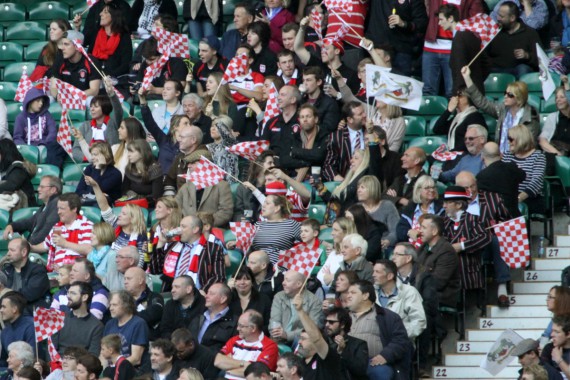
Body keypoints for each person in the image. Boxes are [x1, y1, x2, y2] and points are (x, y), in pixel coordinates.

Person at [461, 65, 540, 154]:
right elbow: (482, 103)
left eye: (510, 95)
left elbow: (527, 144)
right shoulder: (503, 109)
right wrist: (467, 78)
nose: (505, 96)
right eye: (505, 93)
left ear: (519, 98)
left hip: (520, 159)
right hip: (500, 157)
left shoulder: (530, 116)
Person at [346, 280, 412, 380]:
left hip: (371, 362)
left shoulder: (387, 316)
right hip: (345, 361)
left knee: (382, 372)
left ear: (365, 296)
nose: (348, 296)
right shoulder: (342, 316)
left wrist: (385, 356)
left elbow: (400, 341)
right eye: (348, 293)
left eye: (353, 293)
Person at [422, 2, 483, 98]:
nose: (439, 22)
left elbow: (476, 19)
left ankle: (453, 113)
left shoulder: (461, 38)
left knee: (453, 91)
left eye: (441, 19)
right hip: (430, 47)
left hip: (453, 47)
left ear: (450, 18)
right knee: (427, 91)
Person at [156, 215, 226, 290]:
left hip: (198, 295)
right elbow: (156, 269)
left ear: (195, 229)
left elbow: (218, 276)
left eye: (183, 226)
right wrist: (161, 242)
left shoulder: (212, 248)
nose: (179, 229)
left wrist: (204, 292)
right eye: (179, 226)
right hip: (171, 292)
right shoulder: (173, 246)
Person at [364, 0, 428, 76]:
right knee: (375, 83)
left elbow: (422, 24)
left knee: (400, 84)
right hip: (377, 47)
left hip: (401, 49)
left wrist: (403, 23)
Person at [213, 310, 278, 379]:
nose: (238, 328)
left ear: (253, 328)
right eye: (238, 325)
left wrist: (227, 368)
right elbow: (218, 361)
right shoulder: (234, 340)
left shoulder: (270, 346)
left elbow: (256, 374)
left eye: (241, 326)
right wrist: (244, 364)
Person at [486, 1, 541, 78]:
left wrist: (527, 55)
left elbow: (540, 60)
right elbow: (485, 56)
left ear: (512, 18)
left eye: (501, 16)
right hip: (498, 71)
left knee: (522, 68)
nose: (498, 18)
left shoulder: (530, 33)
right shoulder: (494, 33)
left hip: (518, 71)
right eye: (498, 15)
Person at [269, 270, 323, 347]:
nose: (283, 283)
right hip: (277, 338)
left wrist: (287, 335)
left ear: (299, 284)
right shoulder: (279, 296)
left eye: (287, 280)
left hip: (300, 342)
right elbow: (274, 320)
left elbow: (312, 329)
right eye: (284, 279)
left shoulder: (314, 301)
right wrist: (276, 333)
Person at [417, 214, 460, 308]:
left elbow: (437, 282)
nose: (420, 231)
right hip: (422, 293)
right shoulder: (423, 248)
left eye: (424, 228)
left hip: (440, 297)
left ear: (434, 231)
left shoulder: (446, 251)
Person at [3, 176, 61, 245]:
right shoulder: (46, 205)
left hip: (39, 251)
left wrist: (27, 245)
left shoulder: (56, 205)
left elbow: (46, 232)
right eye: (39, 186)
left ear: (53, 190)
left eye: (42, 187)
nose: (38, 189)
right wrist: (12, 226)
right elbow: (29, 222)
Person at [502, 124, 547, 214]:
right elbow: (502, 178)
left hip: (530, 198)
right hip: (509, 196)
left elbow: (536, 182)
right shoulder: (507, 155)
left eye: (511, 139)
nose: (508, 142)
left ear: (521, 139)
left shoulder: (538, 156)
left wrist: (518, 198)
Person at [51, 282, 104, 356]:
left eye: (73, 293)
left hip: (81, 365)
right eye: (68, 293)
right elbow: (51, 349)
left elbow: (93, 355)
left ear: (84, 297)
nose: (68, 296)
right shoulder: (59, 319)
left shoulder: (96, 326)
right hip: (58, 364)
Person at [477, 142, 526, 217]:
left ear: (482, 157)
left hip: (495, 219)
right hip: (514, 217)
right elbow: (523, 175)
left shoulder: (482, 176)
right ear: (500, 155)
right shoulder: (512, 168)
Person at [84, 2, 132, 79]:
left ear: (113, 16)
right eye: (101, 11)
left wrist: (109, 76)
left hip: (114, 79)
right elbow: (89, 55)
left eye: (105, 12)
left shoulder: (124, 36)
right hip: (94, 77)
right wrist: (77, 27)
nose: (100, 14)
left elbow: (125, 65)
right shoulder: (96, 32)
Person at [432, 87, 488, 152]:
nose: (456, 98)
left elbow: (471, 142)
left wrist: (452, 153)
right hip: (454, 155)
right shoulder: (457, 118)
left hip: (466, 156)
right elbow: (437, 129)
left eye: (459, 95)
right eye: (455, 95)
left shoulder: (475, 117)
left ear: (469, 98)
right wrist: (448, 110)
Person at [250, 195, 301, 265]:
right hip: (257, 266)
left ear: (277, 208)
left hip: (278, 268)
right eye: (264, 203)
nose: (263, 206)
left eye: (267, 203)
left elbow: (309, 238)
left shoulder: (290, 224)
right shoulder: (257, 225)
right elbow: (247, 246)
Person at [104, 290, 149, 367]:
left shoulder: (138, 324)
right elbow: (103, 356)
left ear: (126, 305)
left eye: (114, 305)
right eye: (110, 305)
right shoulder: (109, 324)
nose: (110, 308)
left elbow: (136, 359)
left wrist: (114, 367)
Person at [396, 175, 444, 248]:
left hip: (434, 248)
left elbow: (443, 231)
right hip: (412, 249)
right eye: (427, 188)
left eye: (433, 187)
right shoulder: (410, 208)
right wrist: (409, 232)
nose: (431, 190)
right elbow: (400, 230)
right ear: (418, 190)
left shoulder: (441, 208)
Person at [50, 31, 101, 97]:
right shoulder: (59, 59)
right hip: (64, 97)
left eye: (66, 44)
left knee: (91, 101)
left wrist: (73, 97)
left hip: (85, 97)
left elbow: (94, 91)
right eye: (62, 44)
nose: (62, 48)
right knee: (48, 100)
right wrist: (58, 96)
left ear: (77, 47)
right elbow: (54, 87)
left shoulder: (91, 61)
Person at [2, 238, 49, 311]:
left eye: (12, 250)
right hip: (6, 313)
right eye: (8, 250)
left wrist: (5, 293)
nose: (8, 253)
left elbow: (29, 295)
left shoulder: (38, 271)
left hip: (29, 313)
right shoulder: (6, 270)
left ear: (24, 252)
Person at [317, 218, 357, 293]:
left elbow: (347, 280)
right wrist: (332, 276)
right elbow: (319, 277)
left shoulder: (352, 255)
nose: (332, 233)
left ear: (346, 232)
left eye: (336, 230)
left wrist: (330, 276)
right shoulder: (333, 254)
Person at [124, 267, 164, 340]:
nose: (125, 282)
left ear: (140, 280)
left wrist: (126, 317)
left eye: (129, 279)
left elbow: (154, 313)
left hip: (148, 339)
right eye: (125, 279)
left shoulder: (154, 297)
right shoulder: (122, 299)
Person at [163, 125, 205, 195]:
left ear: (193, 140)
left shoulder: (203, 158)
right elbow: (169, 179)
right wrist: (170, 197)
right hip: (179, 200)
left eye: (182, 137)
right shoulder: (180, 156)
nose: (179, 140)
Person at [228, 267, 271, 333]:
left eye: (246, 279)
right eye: (238, 279)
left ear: (252, 282)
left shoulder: (264, 299)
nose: (242, 282)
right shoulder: (228, 297)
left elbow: (267, 324)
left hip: (255, 337)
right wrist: (227, 290)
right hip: (229, 338)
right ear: (233, 281)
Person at [300, 66, 340, 134]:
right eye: (303, 80)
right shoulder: (301, 102)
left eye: (308, 80)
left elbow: (328, 128)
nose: (305, 83)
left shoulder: (330, 104)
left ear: (319, 82)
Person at [0, 292, 36, 364]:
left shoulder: (30, 327)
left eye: (4, 307)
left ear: (14, 309)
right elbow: (3, 361)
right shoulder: (5, 332)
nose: (1, 310)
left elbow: (32, 358)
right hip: (10, 372)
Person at [0, 139, 37, 208]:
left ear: (5, 153)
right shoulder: (8, 168)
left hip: (25, 206)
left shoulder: (18, 168)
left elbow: (12, 185)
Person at [207, 116, 239, 184]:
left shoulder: (230, 145)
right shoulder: (207, 147)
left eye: (217, 126)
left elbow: (227, 137)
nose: (213, 129)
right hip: (211, 184)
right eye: (212, 126)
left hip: (228, 185)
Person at [539, 86, 570, 156]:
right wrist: (558, 155)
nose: (558, 100)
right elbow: (542, 141)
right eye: (556, 97)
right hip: (554, 154)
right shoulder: (552, 117)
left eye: (562, 97)